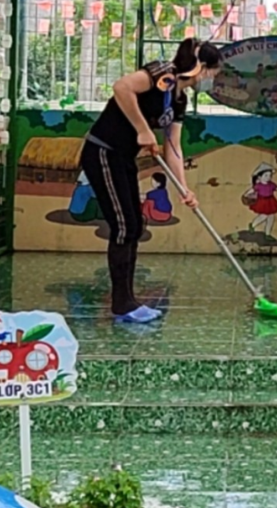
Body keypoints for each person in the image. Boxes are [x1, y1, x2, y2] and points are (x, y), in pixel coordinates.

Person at [82, 37, 221, 323]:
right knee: (124, 226)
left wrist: (184, 188)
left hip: (124, 158)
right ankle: (121, 304)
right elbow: (122, 87)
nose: (211, 79)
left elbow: (174, 147)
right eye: (212, 72)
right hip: (103, 152)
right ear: (201, 67)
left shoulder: (179, 100)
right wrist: (143, 130)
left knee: (135, 225)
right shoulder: (162, 73)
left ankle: (128, 300)